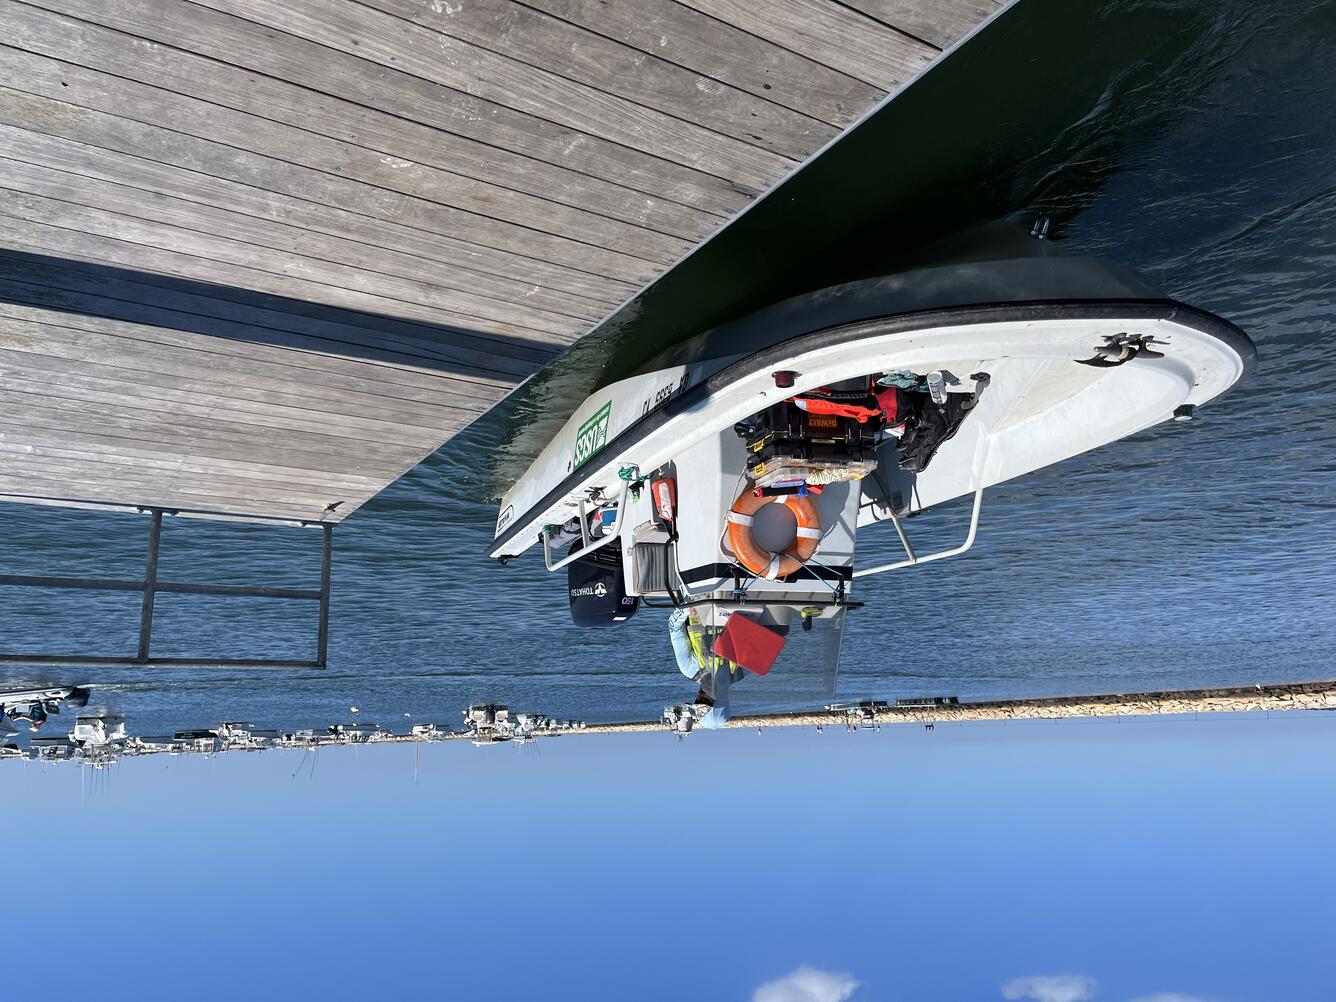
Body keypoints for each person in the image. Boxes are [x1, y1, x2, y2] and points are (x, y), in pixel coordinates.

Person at [667, 607, 742, 729]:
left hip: (698, 600)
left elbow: (674, 627)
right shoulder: (742, 670)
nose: (700, 696)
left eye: (697, 702)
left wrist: (687, 609)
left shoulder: (689, 669)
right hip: (737, 604)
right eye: (706, 701)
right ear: (721, 699)